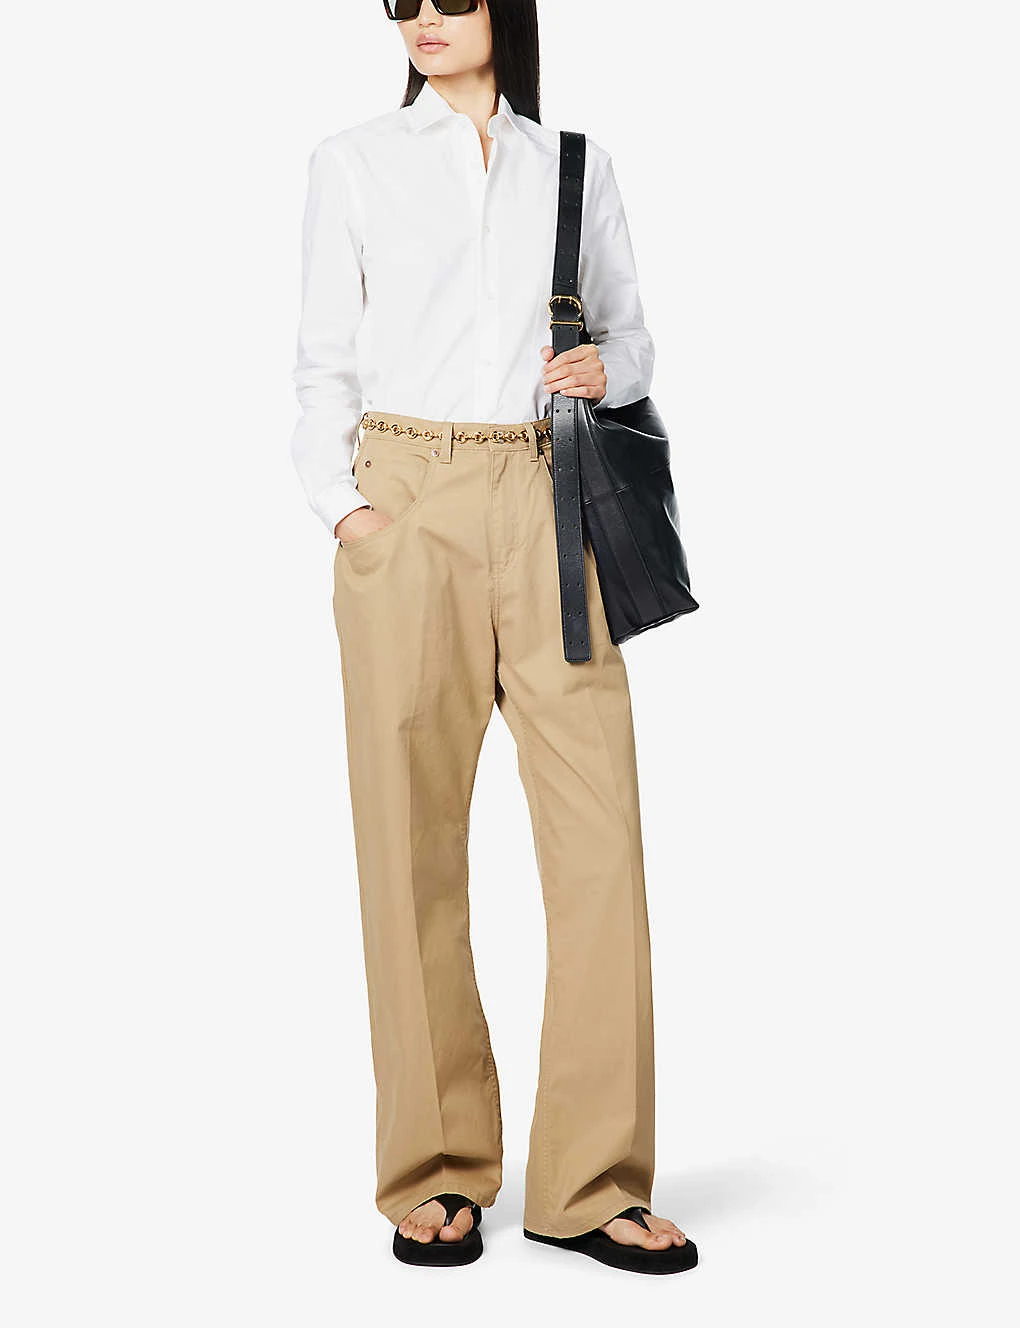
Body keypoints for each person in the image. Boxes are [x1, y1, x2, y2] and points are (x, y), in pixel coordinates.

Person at [289, 0, 698, 1276]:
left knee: (601, 838)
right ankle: (437, 1168)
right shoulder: (354, 161)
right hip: (406, 495)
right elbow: (321, 361)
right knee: (409, 844)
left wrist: (607, 371)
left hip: (548, 497)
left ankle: (591, 1180)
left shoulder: (571, 163)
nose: (421, 17)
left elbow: (632, 334)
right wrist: (351, 512)